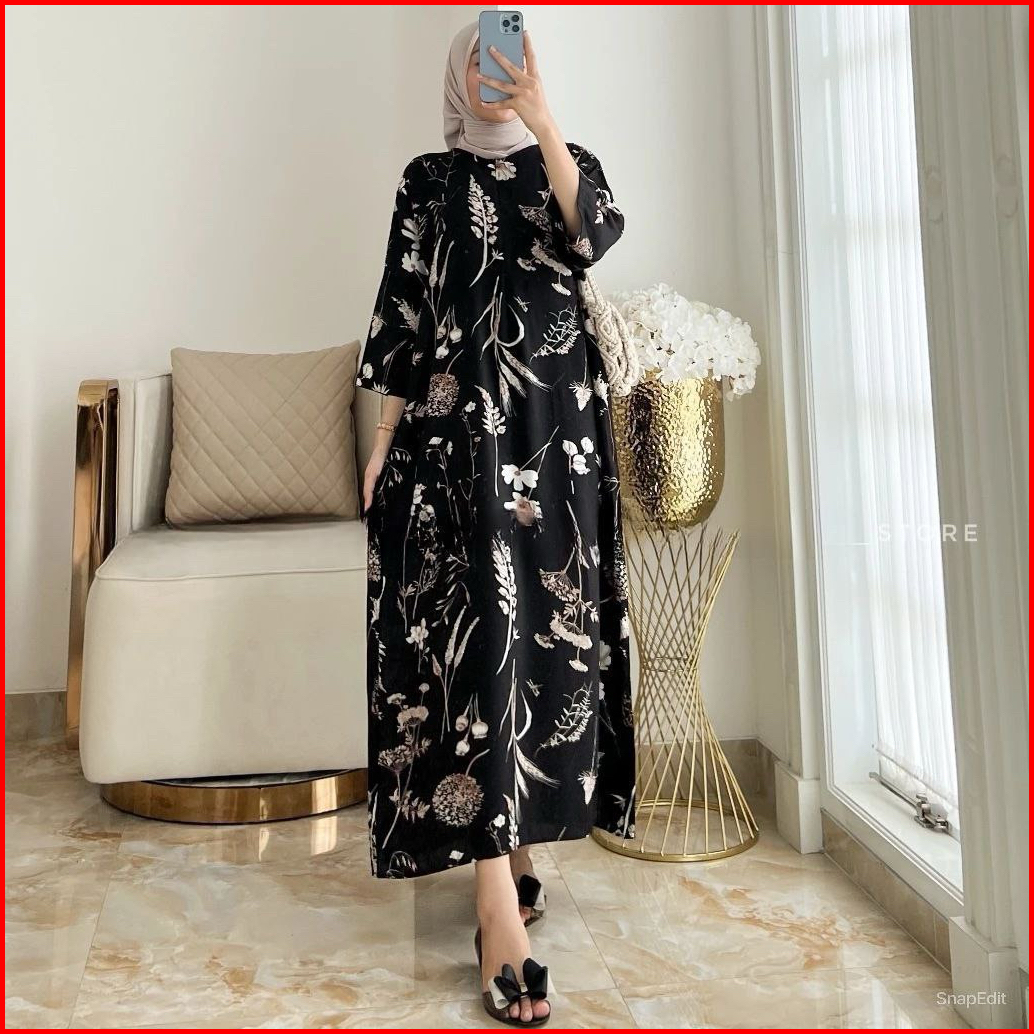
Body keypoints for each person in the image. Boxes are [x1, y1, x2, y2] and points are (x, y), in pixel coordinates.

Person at [355, 21, 635, 1028]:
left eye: (506, 55)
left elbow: (592, 236)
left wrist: (543, 121)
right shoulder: (425, 180)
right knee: (475, 646)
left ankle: (513, 850)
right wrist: (381, 439)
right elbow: (401, 315)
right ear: (454, 74)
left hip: (555, 441)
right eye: (476, 57)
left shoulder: (570, 161)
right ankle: (493, 910)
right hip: (449, 445)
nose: (491, 71)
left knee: (543, 646)